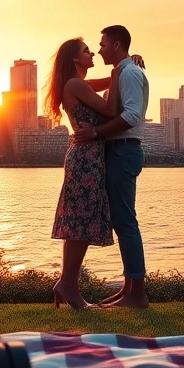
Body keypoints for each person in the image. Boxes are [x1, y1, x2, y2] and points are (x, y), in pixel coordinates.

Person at [44, 37, 125, 309]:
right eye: (86, 50)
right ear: (75, 59)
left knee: (77, 224)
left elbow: (109, 82)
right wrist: (119, 69)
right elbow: (112, 110)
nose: (92, 53)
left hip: (86, 158)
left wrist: (122, 67)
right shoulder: (76, 84)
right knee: (80, 225)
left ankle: (67, 284)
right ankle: (69, 286)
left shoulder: (78, 84)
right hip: (86, 159)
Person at [74, 25, 150, 308]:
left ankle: (137, 294)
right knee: (122, 222)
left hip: (123, 150)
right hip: (118, 151)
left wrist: (95, 133)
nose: (99, 49)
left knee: (126, 222)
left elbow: (130, 115)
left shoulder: (129, 73)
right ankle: (129, 289)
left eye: (103, 44)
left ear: (116, 45)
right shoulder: (126, 71)